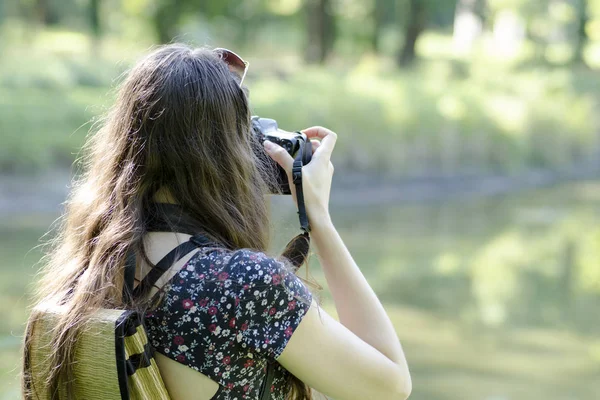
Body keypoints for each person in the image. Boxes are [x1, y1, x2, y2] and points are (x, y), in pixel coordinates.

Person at [21, 44, 412, 400]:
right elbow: (389, 387)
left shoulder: (87, 274)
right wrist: (319, 220)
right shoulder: (240, 285)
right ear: (230, 158)